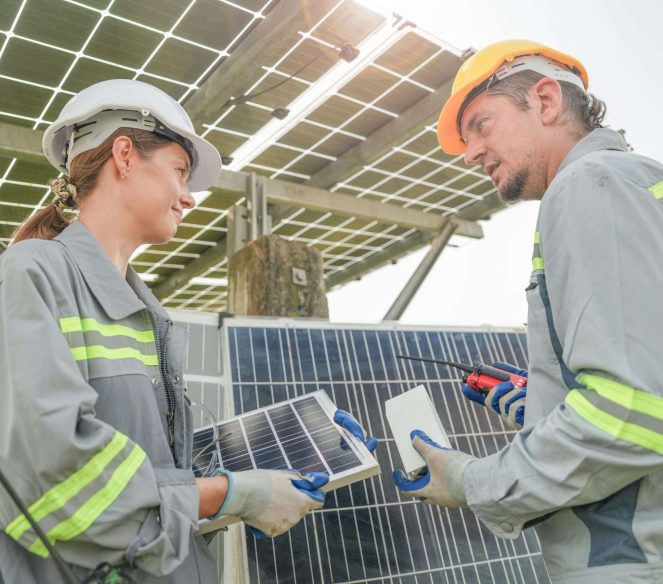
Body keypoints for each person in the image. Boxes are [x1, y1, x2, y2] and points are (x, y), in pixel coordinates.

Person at [0, 79, 377, 583]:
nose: (190, 198)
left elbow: (151, 470)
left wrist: (308, 449)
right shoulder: (29, 275)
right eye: (180, 171)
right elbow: (62, 484)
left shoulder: (142, 308)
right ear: (125, 155)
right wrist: (232, 493)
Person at [392, 40, 663, 583]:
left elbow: (634, 411)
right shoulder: (636, 182)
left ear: (544, 101)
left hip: (627, 558)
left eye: (481, 125)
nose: (470, 153)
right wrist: (547, 401)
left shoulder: (593, 185)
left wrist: (475, 481)